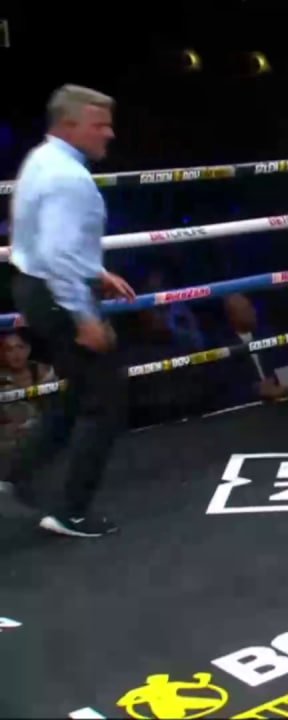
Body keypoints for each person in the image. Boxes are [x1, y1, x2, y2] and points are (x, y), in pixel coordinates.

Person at [0, 85, 136, 537]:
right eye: (100, 125)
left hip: (34, 285)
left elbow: (46, 238)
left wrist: (95, 271)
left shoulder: (41, 159)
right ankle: (71, 512)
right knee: (106, 400)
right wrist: (84, 317)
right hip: (58, 294)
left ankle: (15, 476)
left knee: (79, 392)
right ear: (69, 124)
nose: (109, 134)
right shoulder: (68, 178)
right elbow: (58, 253)